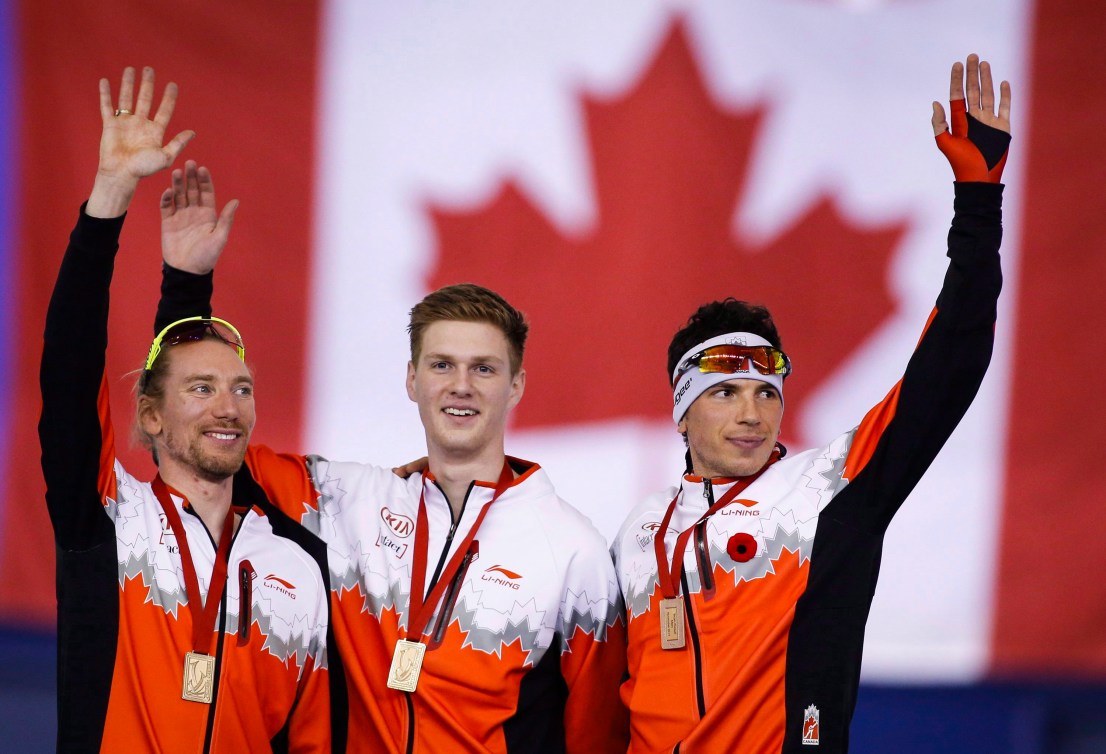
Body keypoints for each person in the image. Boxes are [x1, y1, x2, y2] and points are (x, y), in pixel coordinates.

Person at [611, 53, 1011, 753]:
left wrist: (977, 206)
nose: (752, 413)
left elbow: (948, 368)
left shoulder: (831, 490)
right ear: (681, 412)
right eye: (725, 393)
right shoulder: (637, 535)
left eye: (768, 392)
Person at [154, 175, 629, 750]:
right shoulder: (346, 503)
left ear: (517, 385)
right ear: (411, 379)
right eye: (441, 365)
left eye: (484, 369)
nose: (461, 387)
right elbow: (203, 442)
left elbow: (595, 735)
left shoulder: (572, 548)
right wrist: (186, 287)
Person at [40, 66, 331, 752]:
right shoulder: (109, 522)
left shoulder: (295, 560)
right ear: (149, 418)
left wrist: (189, 281)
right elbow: (70, 368)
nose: (227, 407)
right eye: (202, 392)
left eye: (242, 388)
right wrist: (111, 197)